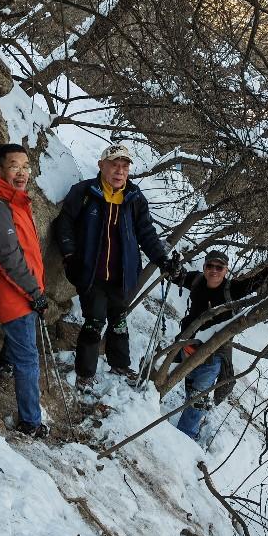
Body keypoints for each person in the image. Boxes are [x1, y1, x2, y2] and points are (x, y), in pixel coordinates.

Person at [55, 143, 178, 390]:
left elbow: (146, 233)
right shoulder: (85, 192)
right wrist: (70, 255)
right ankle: (85, 373)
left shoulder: (134, 198)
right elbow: (64, 224)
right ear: (102, 166)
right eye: (114, 165)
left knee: (119, 320)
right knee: (94, 321)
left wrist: (162, 259)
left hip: (123, 275)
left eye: (124, 166)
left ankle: (119, 364)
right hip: (91, 273)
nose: (119, 171)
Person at [0, 144, 48, 437]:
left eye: (26, 166)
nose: (22, 173)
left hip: (24, 290)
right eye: (14, 166)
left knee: (22, 344)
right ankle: (30, 421)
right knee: (29, 357)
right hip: (14, 293)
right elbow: (8, 258)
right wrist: (34, 291)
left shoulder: (15, 202)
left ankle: (5, 365)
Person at [173, 249, 268, 447]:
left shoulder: (232, 289)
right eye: (210, 266)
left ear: (226, 270)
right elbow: (178, 277)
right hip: (190, 346)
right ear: (204, 267)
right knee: (191, 389)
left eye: (219, 267)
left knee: (198, 395)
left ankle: (182, 439)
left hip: (215, 353)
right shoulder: (197, 280)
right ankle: (193, 420)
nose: (214, 271)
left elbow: (256, 282)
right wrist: (172, 268)